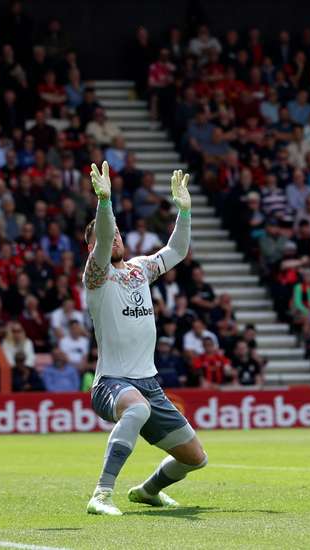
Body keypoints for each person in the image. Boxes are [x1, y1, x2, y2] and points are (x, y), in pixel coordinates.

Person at [83, 162, 207, 516]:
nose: (115, 238)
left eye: (119, 234)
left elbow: (176, 251)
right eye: (108, 237)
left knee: (195, 458)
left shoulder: (139, 269)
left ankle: (147, 491)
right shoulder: (96, 276)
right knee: (136, 408)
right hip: (112, 382)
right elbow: (104, 238)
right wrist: (104, 204)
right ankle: (101, 494)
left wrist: (184, 212)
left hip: (148, 382)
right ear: (91, 247)